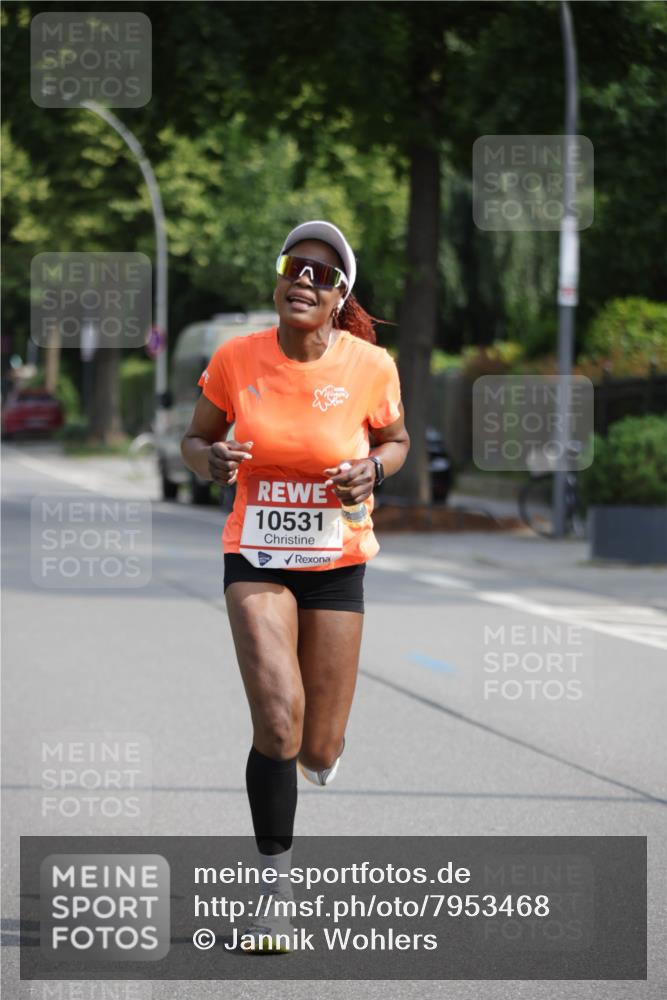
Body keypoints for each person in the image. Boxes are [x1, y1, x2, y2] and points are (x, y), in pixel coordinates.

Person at [181, 220, 410, 951]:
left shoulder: (370, 366)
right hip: (255, 554)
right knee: (277, 718)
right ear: (278, 280)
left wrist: (373, 470)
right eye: (293, 267)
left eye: (320, 273)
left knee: (316, 747)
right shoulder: (234, 359)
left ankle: (320, 753)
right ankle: (274, 893)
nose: (302, 279)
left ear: (340, 293)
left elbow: (395, 441)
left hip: (337, 560)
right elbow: (195, 437)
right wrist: (209, 460)